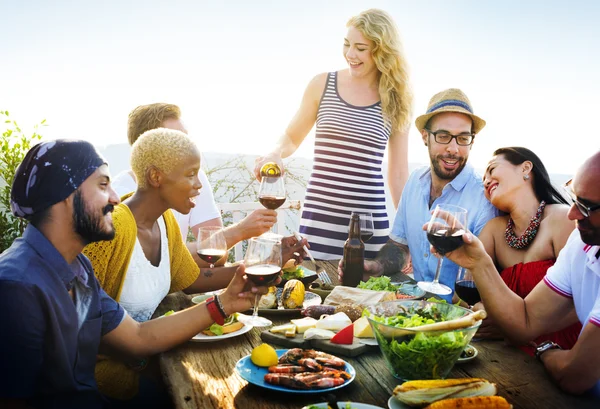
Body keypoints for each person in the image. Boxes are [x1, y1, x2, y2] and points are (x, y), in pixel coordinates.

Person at [0, 139, 272, 409]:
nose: (116, 198)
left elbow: (138, 338)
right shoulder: (17, 287)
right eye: (103, 185)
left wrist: (225, 303)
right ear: (66, 196)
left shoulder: (77, 268)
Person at [82, 128, 306, 403]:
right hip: (109, 383)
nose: (199, 184)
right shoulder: (113, 229)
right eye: (190, 174)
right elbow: (80, 319)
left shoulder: (165, 223)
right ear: (156, 177)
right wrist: (140, 362)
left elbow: (193, 278)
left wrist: (263, 263)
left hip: (154, 358)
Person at [432, 150, 600, 396]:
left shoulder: (562, 220)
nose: (573, 213)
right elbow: (525, 320)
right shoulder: (581, 242)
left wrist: (543, 348)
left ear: (525, 169)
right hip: (524, 357)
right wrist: (478, 266)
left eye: (586, 206)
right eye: (574, 198)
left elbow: (575, 374)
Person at [254, 8, 413, 260]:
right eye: (347, 44)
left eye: (361, 48)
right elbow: (291, 137)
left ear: (382, 50)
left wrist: (410, 232)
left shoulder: (397, 100)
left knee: (366, 299)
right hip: (320, 221)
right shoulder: (322, 84)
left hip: (369, 231)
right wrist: (274, 152)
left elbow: (398, 174)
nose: (351, 54)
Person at [340, 88, 498, 301]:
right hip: (413, 308)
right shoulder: (415, 182)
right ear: (425, 136)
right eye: (443, 136)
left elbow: (489, 275)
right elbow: (399, 246)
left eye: (463, 138)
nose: (453, 148)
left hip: (459, 317)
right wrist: (375, 266)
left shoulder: (484, 199)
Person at [113, 102, 276, 266]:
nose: (188, 147)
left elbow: (217, 257)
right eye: (177, 141)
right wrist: (239, 231)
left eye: (187, 139)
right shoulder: (120, 197)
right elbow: (154, 265)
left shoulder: (194, 180)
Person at [473, 147, 581, 352]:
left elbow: (586, 299)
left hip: (565, 351)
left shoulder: (562, 219)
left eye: (492, 169)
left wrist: (517, 326)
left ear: (525, 168)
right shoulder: (493, 231)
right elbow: (466, 291)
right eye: (483, 179)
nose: (486, 181)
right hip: (510, 355)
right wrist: (482, 310)